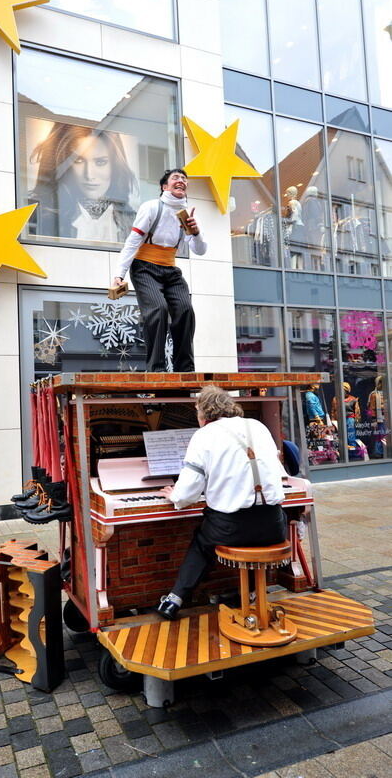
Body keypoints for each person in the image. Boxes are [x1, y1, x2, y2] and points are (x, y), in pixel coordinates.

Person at [156, 385, 286, 621]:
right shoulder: (258, 426)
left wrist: (174, 495)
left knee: (202, 540)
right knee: (274, 522)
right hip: (274, 525)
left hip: (232, 528)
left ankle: (175, 599)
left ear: (203, 413)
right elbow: (276, 471)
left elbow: (188, 493)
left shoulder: (204, 435)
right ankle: (249, 592)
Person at [112, 169, 208, 372]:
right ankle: (156, 368)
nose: (181, 180)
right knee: (158, 309)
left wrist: (196, 232)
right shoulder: (152, 207)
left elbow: (200, 251)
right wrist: (119, 275)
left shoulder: (186, 215)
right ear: (165, 187)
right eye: (176, 178)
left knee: (185, 310)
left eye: (184, 178)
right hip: (144, 267)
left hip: (170, 270)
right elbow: (133, 242)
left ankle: (185, 368)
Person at [28, 122, 137, 242]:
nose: (89, 175)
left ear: (114, 166)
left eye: (100, 162)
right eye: (78, 161)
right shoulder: (38, 215)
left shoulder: (133, 221)